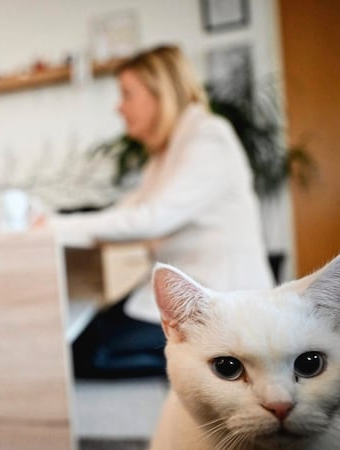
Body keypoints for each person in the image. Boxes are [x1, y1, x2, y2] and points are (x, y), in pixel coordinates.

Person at [45, 44, 274, 379]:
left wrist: (54, 227)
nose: (119, 108)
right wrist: (57, 221)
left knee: (84, 352)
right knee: (82, 337)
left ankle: (217, 363)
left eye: (127, 94)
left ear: (160, 94)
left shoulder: (208, 137)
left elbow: (151, 219)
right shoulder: (167, 151)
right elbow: (128, 208)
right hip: (185, 297)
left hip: (222, 301)